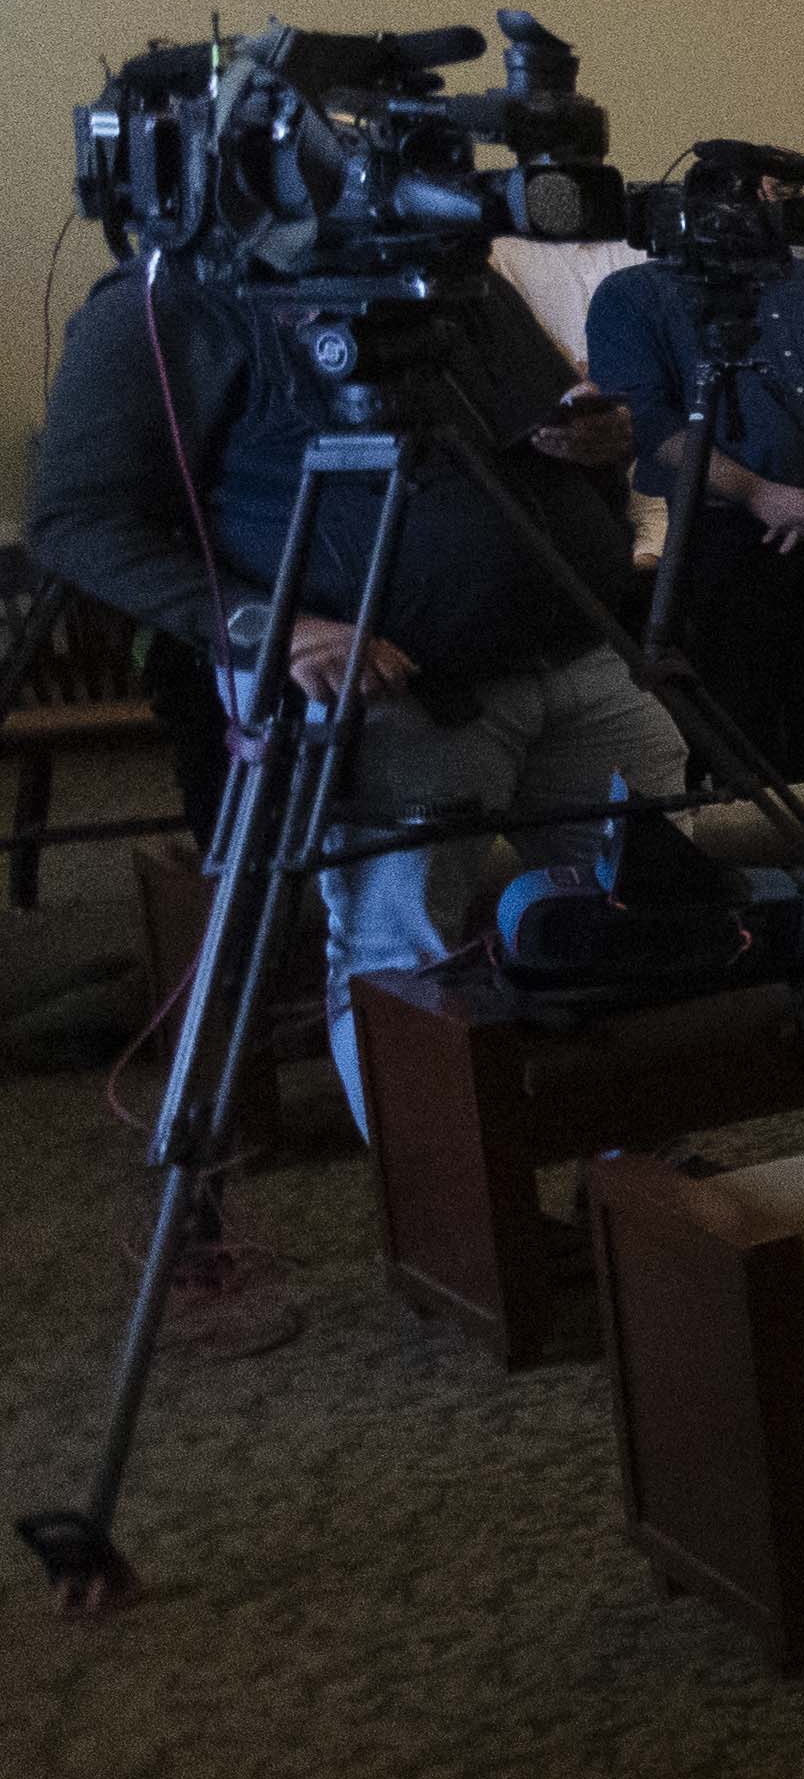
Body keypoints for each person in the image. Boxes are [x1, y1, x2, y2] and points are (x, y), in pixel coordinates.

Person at [31, 249, 669, 1190]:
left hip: (576, 660)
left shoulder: (449, 270)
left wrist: (598, 441)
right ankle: (462, 1224)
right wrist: (274, 629)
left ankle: (643, 1186)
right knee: (406, 958)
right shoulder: (171, 299)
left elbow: (542, 426)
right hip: (398, 695)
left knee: (649, 915)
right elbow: (76, 521)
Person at [585, 196, 804, 785]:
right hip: (721, 537)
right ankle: (755, 866)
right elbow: (647, 419)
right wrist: (758, 492)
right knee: (738, 722)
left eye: (771, 195)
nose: (756, 210)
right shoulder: (635, 293)